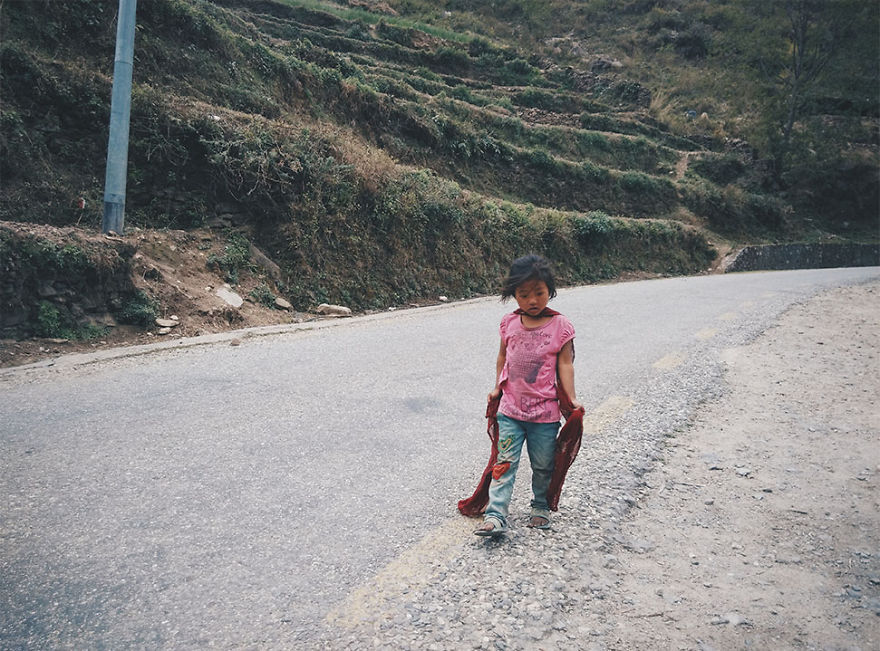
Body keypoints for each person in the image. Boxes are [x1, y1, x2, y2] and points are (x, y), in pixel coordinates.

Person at [475, 254, 582, 536]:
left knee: (544, 465)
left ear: (550, 291)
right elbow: (502, 358)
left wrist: (570, 398)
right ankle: (496, 515)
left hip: (544, 415)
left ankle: (540, 507)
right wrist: (498, 386)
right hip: (510, 411)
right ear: (514, 295)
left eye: (539, 293)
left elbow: (565, 364)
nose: (532, 300)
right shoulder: (509, 324)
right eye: (523, 294)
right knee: (504, 462)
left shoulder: (561, 327)